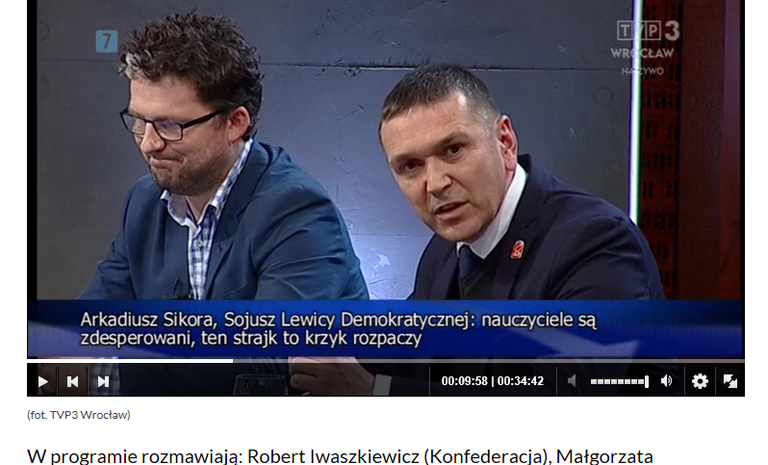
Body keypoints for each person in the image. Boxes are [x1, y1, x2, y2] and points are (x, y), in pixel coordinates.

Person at [288, 64, 664, 395]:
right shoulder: (444, 252)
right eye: (410, 166)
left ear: (505, 142)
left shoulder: (596, 241)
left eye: (453, 150)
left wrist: (375, 392)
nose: (435, 183)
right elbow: (402, 349)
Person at [78, 12, 368, 395]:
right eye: (139, 121)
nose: (149, 143)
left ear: (235, 123)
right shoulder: (144, 203)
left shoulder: (298, 210)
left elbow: (264, 363)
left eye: (170, 126)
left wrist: (102, 372)